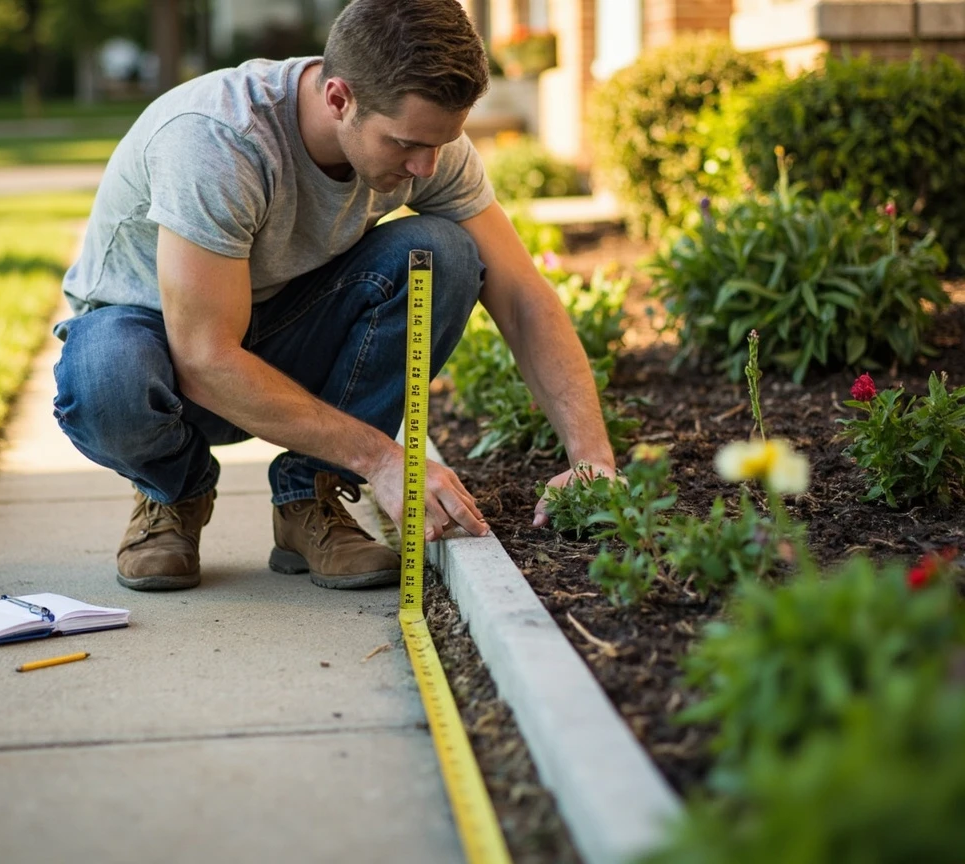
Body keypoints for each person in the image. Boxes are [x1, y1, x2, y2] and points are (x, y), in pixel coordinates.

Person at [52, 0, 616, 593]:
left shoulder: (427, 144)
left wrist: (592, 459)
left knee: (443, 252)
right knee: (104, 378)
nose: (425, 166)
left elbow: (523, 295)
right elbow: (204, 356)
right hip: (159, 358)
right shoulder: (218, 141)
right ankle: (173, 492)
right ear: (339, 98)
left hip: (281, 332)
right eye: (404, 144)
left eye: (440, 143)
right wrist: (383, 459)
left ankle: (308, 496)